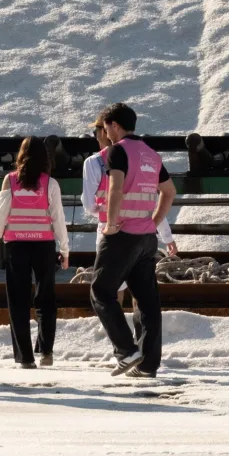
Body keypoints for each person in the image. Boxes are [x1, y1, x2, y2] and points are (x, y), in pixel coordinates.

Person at [88, 103, 176, 380]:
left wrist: (112, 224)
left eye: (105, 128)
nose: (105, 133)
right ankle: (148, 364)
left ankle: (126, 351)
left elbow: (115, 186)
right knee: (147, 301)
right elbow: (169, 191)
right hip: (146, 238)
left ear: (115, 125)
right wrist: (154, 220)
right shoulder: (151, 154)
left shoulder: (118, 150)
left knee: (101, 291)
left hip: (122, 234)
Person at [0, 137, 68, 368]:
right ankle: (46, 351)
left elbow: (0, 216)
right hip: (44, 246)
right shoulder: (50, 184)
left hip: (16, 247)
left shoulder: (10, 181)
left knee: (18, 300)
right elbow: (58, 218)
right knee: (46, 299)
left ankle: (25, 358)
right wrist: (64, 249)